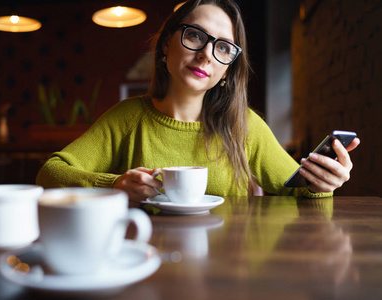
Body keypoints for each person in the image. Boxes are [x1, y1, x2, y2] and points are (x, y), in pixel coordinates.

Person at [36, 0, 360, 204]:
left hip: (226, 266)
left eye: (223, 48)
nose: (206, 54)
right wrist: (114, 184)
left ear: (226, 71)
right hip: (145, 254)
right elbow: (50, 173)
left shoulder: (244, 125)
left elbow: (303, 192)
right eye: (195, 36)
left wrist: (324, 182)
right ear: (166, 46)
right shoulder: (127, 117)